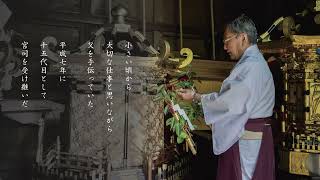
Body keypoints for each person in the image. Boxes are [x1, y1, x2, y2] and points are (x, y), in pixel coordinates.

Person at [177, 14, 275, 180]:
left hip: (248, 139)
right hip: (252, 135)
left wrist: (196, 97)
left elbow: (229, 104)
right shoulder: (254, 63)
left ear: (242, 37)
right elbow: (230, 99)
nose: (224, 47)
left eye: (226, 40)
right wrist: (198, 97)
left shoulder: (251, 66)